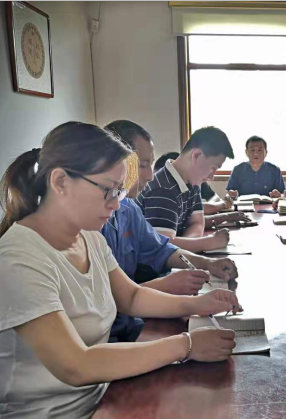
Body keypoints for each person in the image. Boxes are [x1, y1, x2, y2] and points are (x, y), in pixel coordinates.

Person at [0, 122, 241, 419]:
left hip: (96, 404)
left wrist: (198, 303)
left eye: (119, 192)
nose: (116, 205)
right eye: (109, 191)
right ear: (60, 182)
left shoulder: (89, 237)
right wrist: (186, 345)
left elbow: (131, 297)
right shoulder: (18, 259)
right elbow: (76, 365)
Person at [102, 122, 240, 342]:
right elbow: (105, 300)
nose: (150, 175)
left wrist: (207, 264)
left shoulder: (128, 208)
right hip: (112, 334)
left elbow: (162, 248)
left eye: (150, 164)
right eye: (143, 165)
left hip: (133, 323)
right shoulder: (92, 223)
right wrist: (166, 286)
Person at [136, 126, 234, 253]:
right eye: (213, 168)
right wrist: (210, 242)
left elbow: (197, 223)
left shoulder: (193, 183)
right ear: (196, 155)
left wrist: (189, 245)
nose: (212, 176)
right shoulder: (163, 189)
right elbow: (162, 247)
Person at [155, 152, 249, 228]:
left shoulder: (193, 181)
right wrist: (221, 206)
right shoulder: (162, 194)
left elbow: (211, 200)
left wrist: (213, 209)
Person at [155, 152, 234, 215]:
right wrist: (222, 204)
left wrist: (210, 206)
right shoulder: (162, 191)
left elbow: (213, 197)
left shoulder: (194, 180)